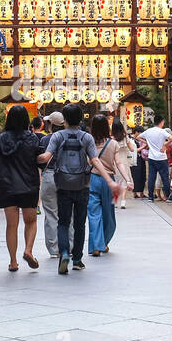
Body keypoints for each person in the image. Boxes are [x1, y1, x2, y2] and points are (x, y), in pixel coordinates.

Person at [38, 103, 120, 274]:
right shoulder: (86, 138)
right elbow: (95, 161)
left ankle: (64, 253)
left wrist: (32, 156)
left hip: (63, 185)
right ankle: (77, 260)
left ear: (64, 120)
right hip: (82, 185)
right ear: (81, 119)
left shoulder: (57, 136)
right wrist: (110, 182)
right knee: (80, 223)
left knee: (63, 221)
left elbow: (46, 157)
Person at [0, 104, 44, 271]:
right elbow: (39, 161)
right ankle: (28, 250)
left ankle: (13, 262)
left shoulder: (1, 139)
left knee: (11, 225)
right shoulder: (32, 139)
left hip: (6, 186)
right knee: (31, 221)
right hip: (28, 185)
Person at [87, 115, 121, 256]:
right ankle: (103, 243)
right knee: (109, 214)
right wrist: (127, 179)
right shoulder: (113, 144)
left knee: (94, 214)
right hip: (109, 181)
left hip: (92, 180)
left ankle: (96, 245)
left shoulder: (88, 142)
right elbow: (119, 163)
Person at [39, 110, 67, 258]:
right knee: (69, 213)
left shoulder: (45, 140)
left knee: (50, 213)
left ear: (50, 124)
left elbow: (41, 160)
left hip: (50, 175)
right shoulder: (70, 137)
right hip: (68, 177)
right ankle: (68, 245)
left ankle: (54, 249)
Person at [140, 114, 172, 201]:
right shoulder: (162, 131)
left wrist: (147, 143)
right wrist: (164, 145)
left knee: (151, 177)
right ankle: (168, 196)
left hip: (151, 157)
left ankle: (150, 196)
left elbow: (138, 137)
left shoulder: (148, 131)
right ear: (162, 122)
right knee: (165, 178)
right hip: (162, 158)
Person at [111, 118, 136, 209]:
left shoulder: (111, 139)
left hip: (114, 163)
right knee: (125, 182)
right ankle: (123, 202)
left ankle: (115, 201)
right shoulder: (125, 138)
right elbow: (132, 149)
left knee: (116, 182)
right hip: (124, 163)